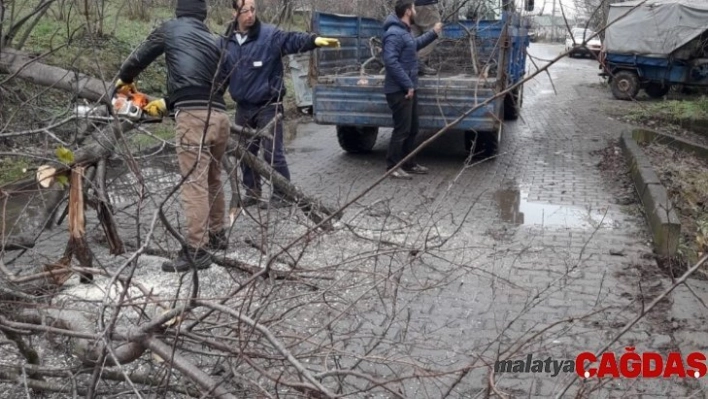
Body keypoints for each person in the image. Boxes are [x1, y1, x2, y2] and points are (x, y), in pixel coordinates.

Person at [115, 0, 231, 272]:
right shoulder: (215, 40)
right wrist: (170, 100)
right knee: (213, 176)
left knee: (194, 182)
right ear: (204, 16)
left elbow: (138, 58)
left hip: (193, 117)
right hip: (221, 116)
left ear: (179, 12)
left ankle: (196, 249)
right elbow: (224, 79)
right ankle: (217, 233)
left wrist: (125, 79)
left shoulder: (170, 29)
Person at [219, 0, 340, 209]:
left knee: (272, 152)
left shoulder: (269, 35)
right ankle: (252, 191)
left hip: (268, 105)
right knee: (245, 154)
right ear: (234, 13)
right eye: (245, 11)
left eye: (253, 10)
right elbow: (220, 75)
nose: (250, 15)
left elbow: (292, 40)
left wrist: (315, 40)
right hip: (243, 107)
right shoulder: (226, 42)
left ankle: (282, 194)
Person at [382, 0, 442, 179]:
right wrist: (407, 84)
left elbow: (414, 45)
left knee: (413, 128)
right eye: (414, 8)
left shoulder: (404, 32)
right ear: (408, 12)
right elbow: (390, 61)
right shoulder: (394, 33)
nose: (416, 10)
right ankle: (393, 166)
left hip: (409, 89)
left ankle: (408, 163)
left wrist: (433, 33)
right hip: (398, 90)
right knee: (402, 129)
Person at [411, 0, 441, 75]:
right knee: (434, 32)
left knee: (415, 34)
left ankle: (407, 59)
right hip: (426, 4)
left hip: (410, 5)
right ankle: (418, 60)